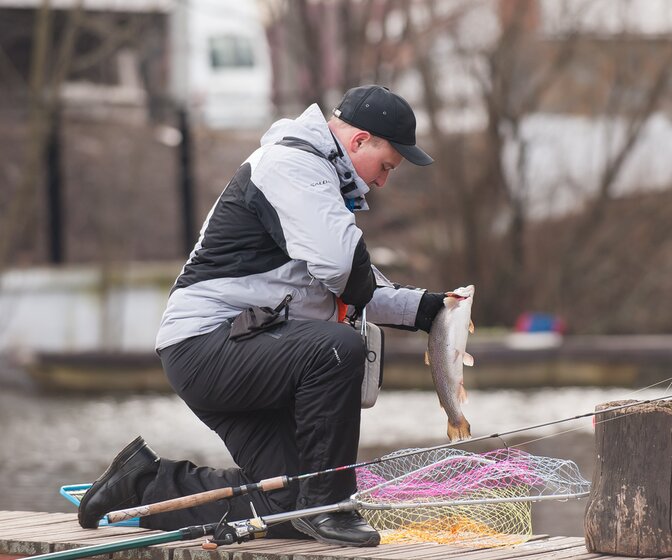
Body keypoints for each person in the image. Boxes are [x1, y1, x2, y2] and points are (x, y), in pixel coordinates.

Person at [76, 85, 448, 548]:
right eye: (386, 166)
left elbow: (347, 282)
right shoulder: (293, 165)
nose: (382, 182)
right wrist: (373, 293)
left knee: (286, 508)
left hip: (237, 347)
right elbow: (341, 268)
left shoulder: (314, 181)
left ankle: (140, 483)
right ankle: (332, 504)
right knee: (337, 349)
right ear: (358, 142)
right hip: (204, 345)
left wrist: (426, 310)